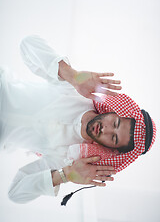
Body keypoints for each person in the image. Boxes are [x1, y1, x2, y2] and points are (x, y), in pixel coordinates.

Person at [0, 36, 156, 204]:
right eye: (115, 123)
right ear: (114, 112)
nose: (106, 129)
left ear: (110, 148)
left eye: (113, 137)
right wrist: (72, 76)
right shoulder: (75, 90)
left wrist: (66, 175)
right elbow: (27, 45)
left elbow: (15, 193)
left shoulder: (68, 158)